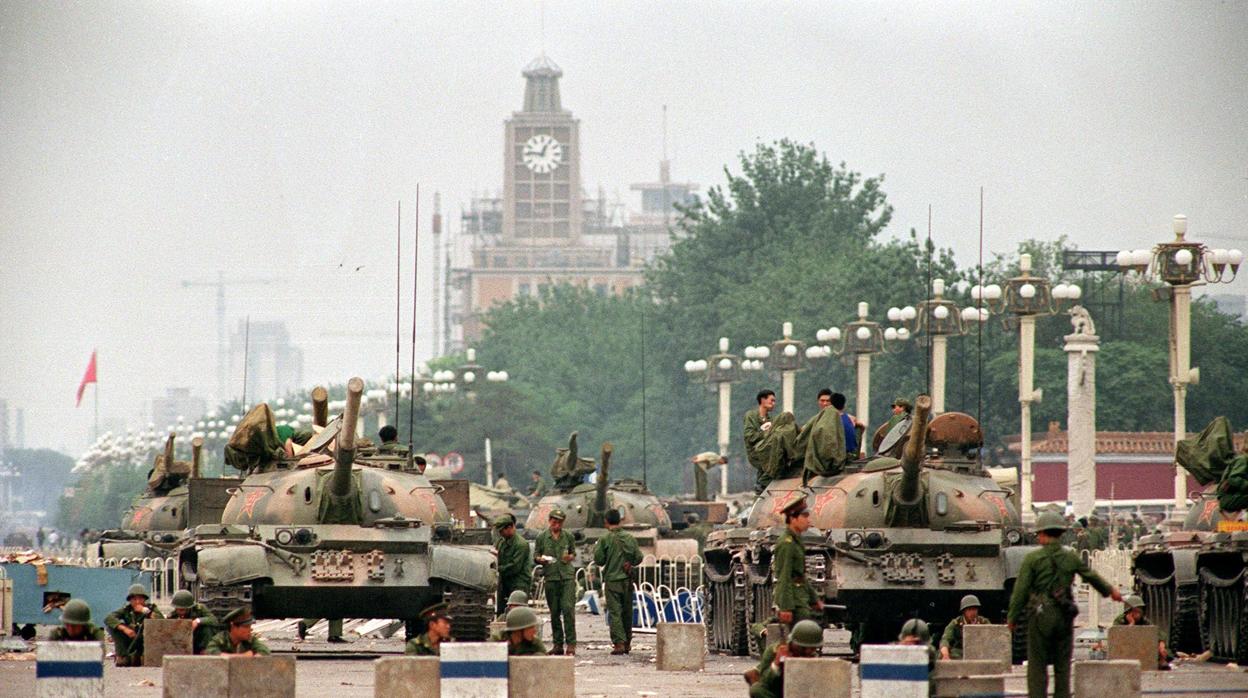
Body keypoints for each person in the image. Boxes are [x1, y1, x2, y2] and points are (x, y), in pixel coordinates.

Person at [1008, 511, 1122, 698]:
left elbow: (1020, 592)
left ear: (1042, 533)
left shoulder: (1032, 559)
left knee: (1037, 666)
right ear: (1061, 533)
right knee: (1063, 666)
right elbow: (1091, 576)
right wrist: (1111, 591)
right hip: (1064, 614)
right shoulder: (1070, 557)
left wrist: (1012, 618)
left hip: (1040, 616)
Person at [593, 508, 643, 654]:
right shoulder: (630, 538)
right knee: (627, 612)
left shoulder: (604, 539)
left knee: (615, 612)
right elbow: (638, 557)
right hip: (627, 580)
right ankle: (627, 643)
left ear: (606, 522)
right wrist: (629, 563)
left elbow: (599, 560)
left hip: (612, 580)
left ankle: (619, 643)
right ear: (620, 520)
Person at [773, 496, 821, 627]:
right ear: (793, 519)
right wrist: (786, 607)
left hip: (800, 597)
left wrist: (814, 599)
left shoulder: (796, 541)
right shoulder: (786, 543)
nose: (808, 520)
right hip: (793, 600)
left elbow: (801, 575)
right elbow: (784, 575)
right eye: (804, 516)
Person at [535, 508, 577, 655]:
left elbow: (573, 552)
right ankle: (557, 644)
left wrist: (570, 557)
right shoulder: (542, 537)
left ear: (562, 523)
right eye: (553, 521)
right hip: (551, 577)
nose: (556, 524)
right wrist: (540, 559)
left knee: (567, 609)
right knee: (554, 612)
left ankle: (571, 643)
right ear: (549, 521)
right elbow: (536, 555)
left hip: (566, 577)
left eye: (559, 522)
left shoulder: (568, 537)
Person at [744, 619, 822, 698]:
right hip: (779, 690)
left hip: (802, 691)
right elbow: (764, 682)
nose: (809, 651)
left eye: (813, 648)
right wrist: (776, 664)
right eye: (805, 648)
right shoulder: (774, 651)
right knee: (757, 689)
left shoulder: (812, 656)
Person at [105, 584, 164, 666]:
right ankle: (122, 656)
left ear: (145, 599)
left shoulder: (151, 608)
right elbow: (109, 618)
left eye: (140, 599)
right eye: (134, 599)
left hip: (146, 640)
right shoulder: (126, 610)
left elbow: (162, 621)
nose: (137, 602)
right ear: (130, 600)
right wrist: (124, 628)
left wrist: (146, 611)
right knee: (112, 627)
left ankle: (142, 657)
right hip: (131, 638)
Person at [1113, 594, 1171, 669]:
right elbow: (1119, 638)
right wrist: (1131, 624)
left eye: (1140, 611)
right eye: (1136, 611)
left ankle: (1161, 661)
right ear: (1129, 611)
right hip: (1126, 649)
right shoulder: (1119, 621)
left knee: (1167, 651)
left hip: (1141, 648)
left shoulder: (1143, 620)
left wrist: (1161, 643)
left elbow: (1156, 631)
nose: (1138, 614)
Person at [494, 513, 532, 615]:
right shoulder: (502, 542)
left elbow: (515, 567)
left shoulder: (521, 544)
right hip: (506, 582)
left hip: (519, 583)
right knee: (502, 612)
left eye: (502, 530)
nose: (501, 533)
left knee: (517, 613)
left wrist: (498, 568)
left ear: (510, 527)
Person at [939, 594, 992, 660]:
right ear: (964, 611)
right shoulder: (956, 623)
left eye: (974, 609)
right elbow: (946, 639)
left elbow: (992, 638)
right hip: (960, 651)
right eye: (969, 609)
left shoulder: (983, 622)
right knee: (943, 655)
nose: (972, 612)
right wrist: (945, 653)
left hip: (980, 651)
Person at [744, 389, 777, 493]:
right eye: (771, 400)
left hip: (767, 452)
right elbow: (749, 436)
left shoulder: (771, 419)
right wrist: (766, 433)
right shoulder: (751, 416)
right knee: (777, 463)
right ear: (763, 400)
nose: (773, 403)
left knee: (765, 472)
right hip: (756, 452)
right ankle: (761, 484)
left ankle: (760, 491)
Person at [167, 589, 218, 654]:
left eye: (182, 610)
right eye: (177, 609)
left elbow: (213, 620)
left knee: (207, 628)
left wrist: (198, 621)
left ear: (189, 607)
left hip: (198, 640)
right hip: (183, 643)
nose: (179, 612)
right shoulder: (173, 615)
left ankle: (205, 651)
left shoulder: (200, 609)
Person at [205, 607, 270, 655]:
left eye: (250, 626)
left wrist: (255, 657)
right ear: (233, 627)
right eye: (246, 627)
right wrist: (241, 656)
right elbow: (210, 651)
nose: (250, 630)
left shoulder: (250, 639)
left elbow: (264, 650)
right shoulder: (221, 639)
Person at [830, 393, 862, 459]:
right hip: (852, 455)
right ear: (844, 406)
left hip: (840, 458)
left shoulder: (831, 421)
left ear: (830, 406)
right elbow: (862, 427)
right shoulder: (849, 418)